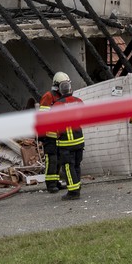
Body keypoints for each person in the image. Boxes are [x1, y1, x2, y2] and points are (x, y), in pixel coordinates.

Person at [52, 72, 85, 201]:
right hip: (79, 139)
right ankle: (77, 187)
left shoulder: (57, 105)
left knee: (67, 166)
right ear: (70, 89)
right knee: (76, 165)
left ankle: (73, 192)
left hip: (66, 142)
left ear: (60, 91)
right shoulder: (79, 101)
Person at [38, 73, 68, 193]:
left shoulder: (62, 97)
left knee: (59, 159)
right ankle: (50, 184)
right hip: (49, 136)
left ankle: (56, 182)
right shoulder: (48, 96)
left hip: (59, 135)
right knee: (52, 159)